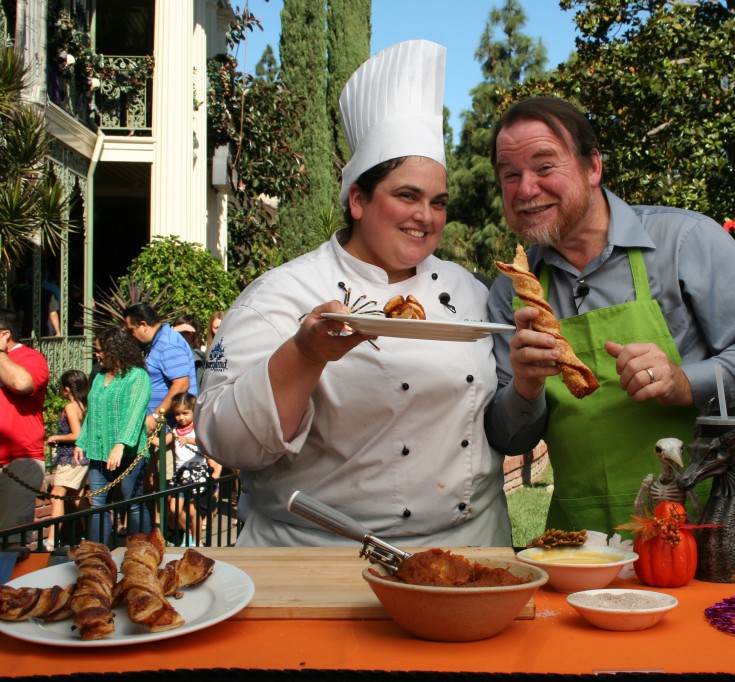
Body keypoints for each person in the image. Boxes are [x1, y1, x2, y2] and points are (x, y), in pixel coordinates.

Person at [196, 40, 511, 547]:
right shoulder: (280, 295)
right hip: (323, 556)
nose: (425, 217)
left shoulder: (469, 292)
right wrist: (305, 354)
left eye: (438, 201)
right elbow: (226, 441)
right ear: (358, 199)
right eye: (407, 195)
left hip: (470, 548)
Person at [484, 97, 735, 536]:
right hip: (581, 546)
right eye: (510, 175)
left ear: (592, 166)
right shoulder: (511, 290)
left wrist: (685, 382)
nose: (525, 190)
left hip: (705, 528)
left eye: (545, 167)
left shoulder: (685, 242)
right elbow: (511, 441)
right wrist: (524, 388)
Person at [74, 326, 152, 546]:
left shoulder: (137, 376)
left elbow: (135, 414)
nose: (97, 354)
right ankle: (98, 554)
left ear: (115, 349)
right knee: (98, 504)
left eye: (100, 350)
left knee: (133, 503)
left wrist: (120, 444)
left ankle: (141, 550)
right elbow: (93, 413)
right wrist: (82, 440)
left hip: (129, 453)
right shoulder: (99, 376)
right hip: (99, 452)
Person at [0, 308, 50, 533]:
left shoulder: (31, 358)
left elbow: (22, 384)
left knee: (12, 539)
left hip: (19, 460)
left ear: (5, 334)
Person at [122, 302, 197, 434]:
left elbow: (182, 384)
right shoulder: (157, 343)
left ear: (143, 325)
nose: (130, 335)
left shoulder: (169, 343)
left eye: (131, 330)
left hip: (169, 433)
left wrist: (156, 417)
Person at [165, 392, 219, 547]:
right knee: (174, 508)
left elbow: (203, 442)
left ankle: (196, 541)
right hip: (180, 474)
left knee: (192, 511)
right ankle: (189, 532)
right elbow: (162, 442)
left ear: (193, 412)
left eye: (185, 413)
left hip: (195, 472)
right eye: (177, 414)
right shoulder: (175, 429)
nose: (181, 417)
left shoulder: (197, 428)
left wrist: (188, 439)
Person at [45, 369, 90, 549]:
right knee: (77, 496)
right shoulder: (85, 406)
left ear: (66, 389)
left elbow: (76, 434)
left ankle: (51, 540)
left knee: (56, 497)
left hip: (71, 458)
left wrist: (55, 437)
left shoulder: (71, 407)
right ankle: (94, 535)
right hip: (81, 457)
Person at [172, 314, 207, 391]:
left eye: (187, 333)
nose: (183, 336)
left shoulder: (197, 357)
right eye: (180, 332)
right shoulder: (169, 353)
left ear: (194, 335)